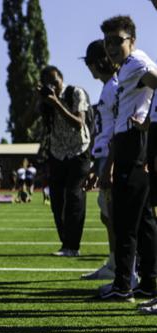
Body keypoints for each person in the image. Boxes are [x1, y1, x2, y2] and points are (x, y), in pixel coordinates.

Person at [94, 16, 157, 301]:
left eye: (117, 40)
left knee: (124, 218)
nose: (111, 47)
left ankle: (122, 285)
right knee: (143, 218)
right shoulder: (126, 69)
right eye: (107, 42)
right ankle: (149, 281)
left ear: (131, 39)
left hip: (134, 142)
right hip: (130, 141)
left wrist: (148, 122)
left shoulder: (136, 63)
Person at [35, 65, 91, 257]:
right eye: (48, 84)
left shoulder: (76, 92)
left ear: (61, 78)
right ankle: (65, 242)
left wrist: (56, 103)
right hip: (57, 152)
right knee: (56, 200)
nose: (53, 87)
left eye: (55, 82)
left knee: (74, 196)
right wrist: (38, 99)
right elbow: (25, 123)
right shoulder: (46, 100)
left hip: (79, 150)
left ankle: (72, 246)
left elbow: (78, 123)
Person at [80, 39, 118, 281]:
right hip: (104, 157)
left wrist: (109, 165)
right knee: (107, 214)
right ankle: (115, 262)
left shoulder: (115, 86)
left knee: (116, 215)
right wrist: (96, 163)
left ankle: (124, 267)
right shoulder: (107, 87)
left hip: (113, 158)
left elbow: (118, 128)